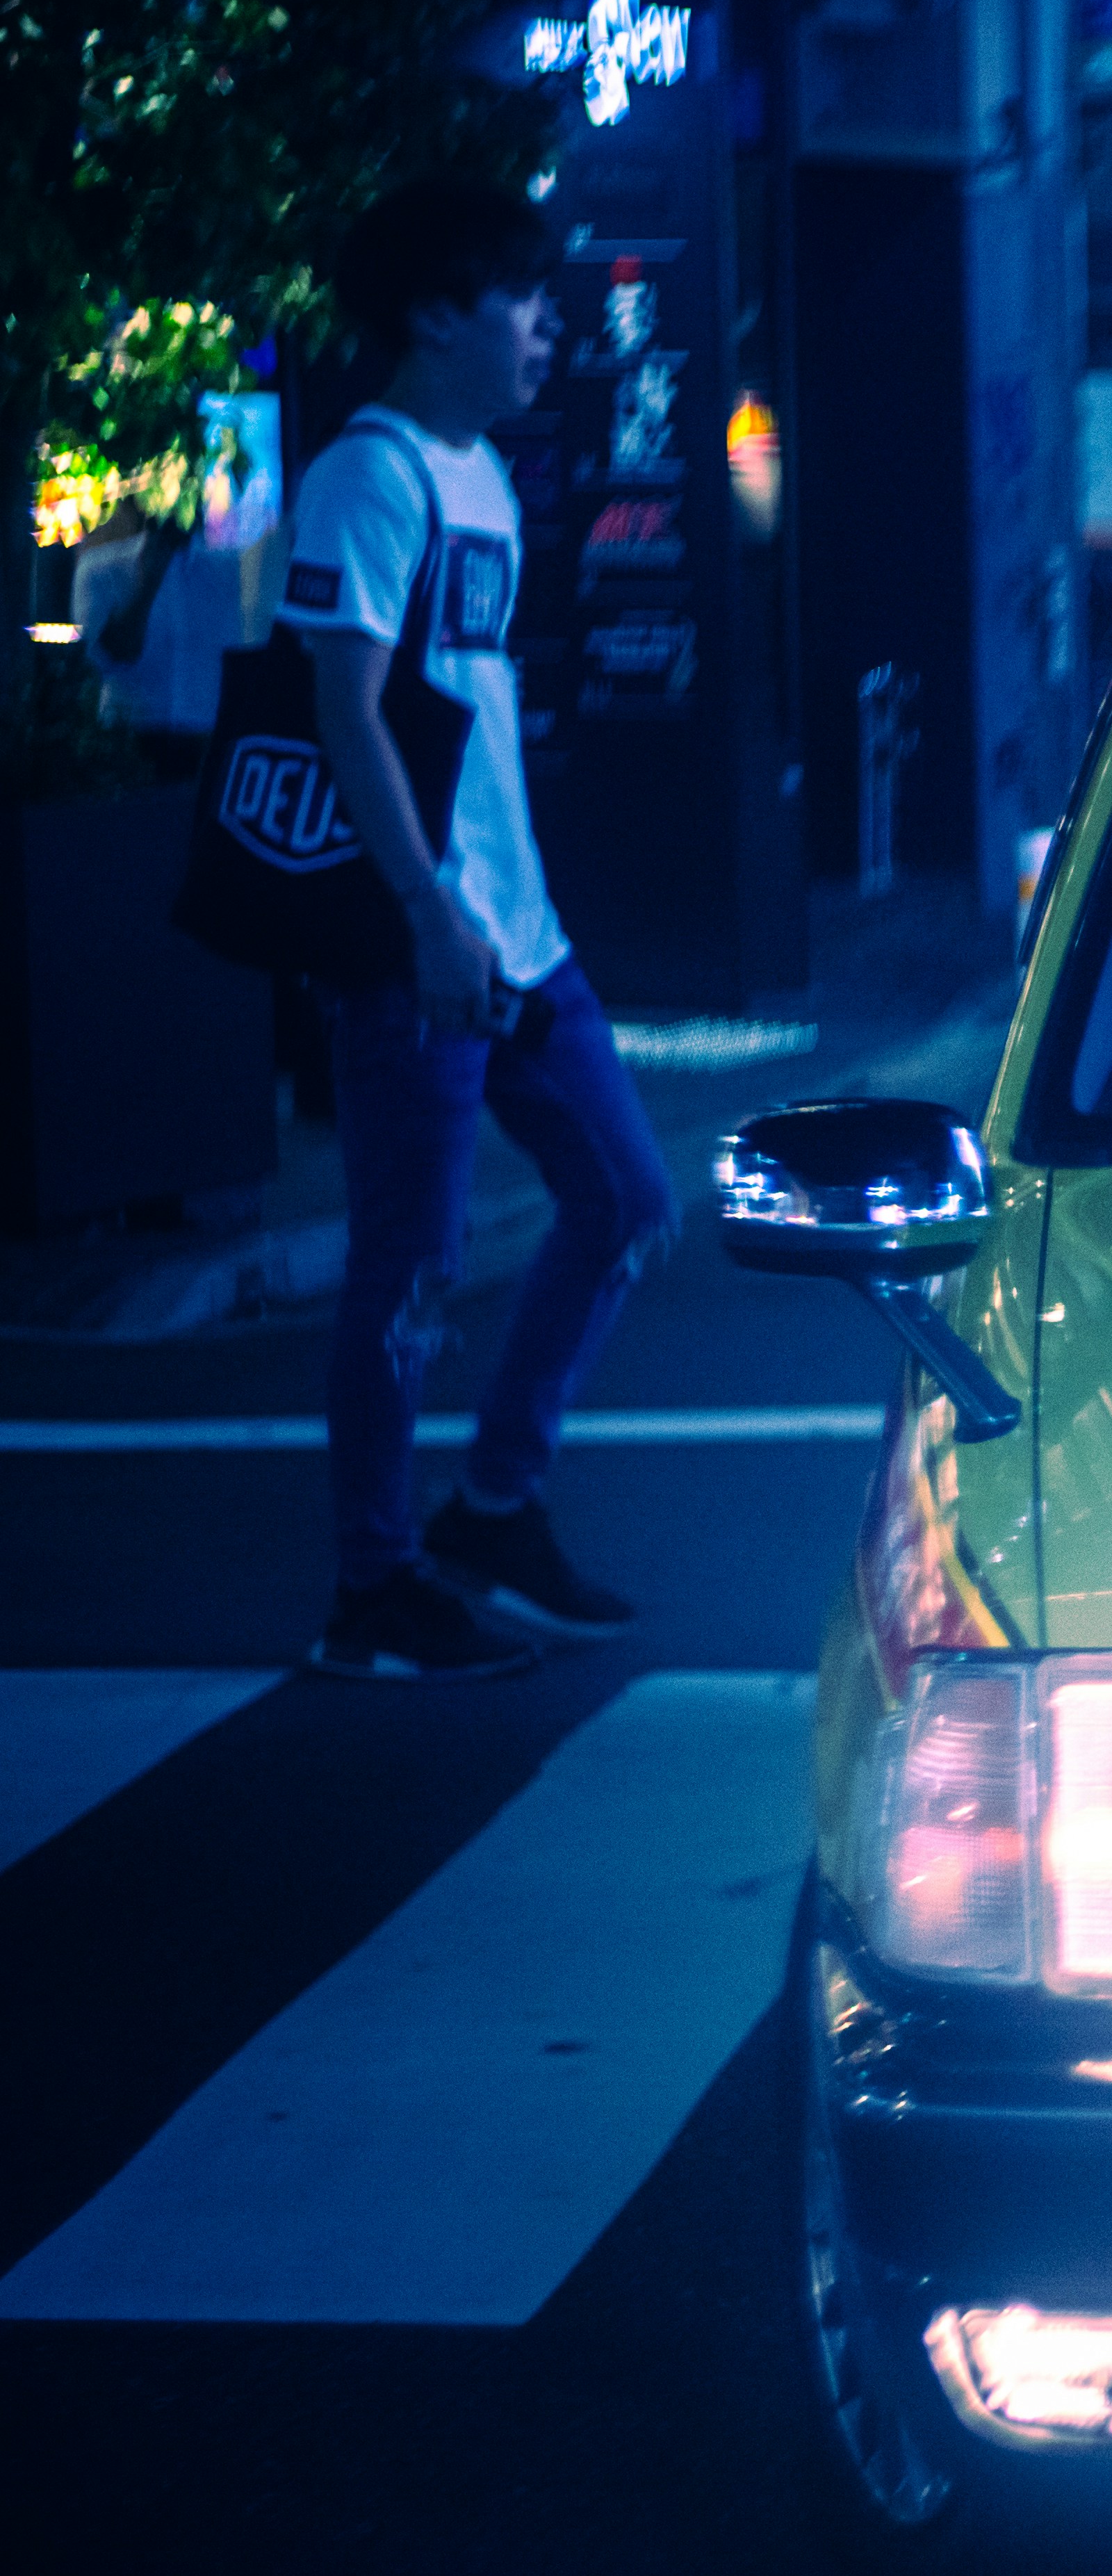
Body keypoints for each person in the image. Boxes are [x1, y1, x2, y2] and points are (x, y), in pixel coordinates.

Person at [284, 177, 671, 1682]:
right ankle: (373, 1581)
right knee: (411, 1269)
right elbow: (340, 706)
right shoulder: (368, 477)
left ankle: (493, 1501)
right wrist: (424, 911)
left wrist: (497, 912)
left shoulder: (483, 477)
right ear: (436, 313)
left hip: (521, 935)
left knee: (631, 1203)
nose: (545, 326)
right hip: (422, 947)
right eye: (518, 301)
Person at [74, 491, 247, 785]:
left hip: (208, 740)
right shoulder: (100, 569)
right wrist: (148, 583)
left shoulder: (229, 569)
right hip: (128, 738)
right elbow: (113, 657)